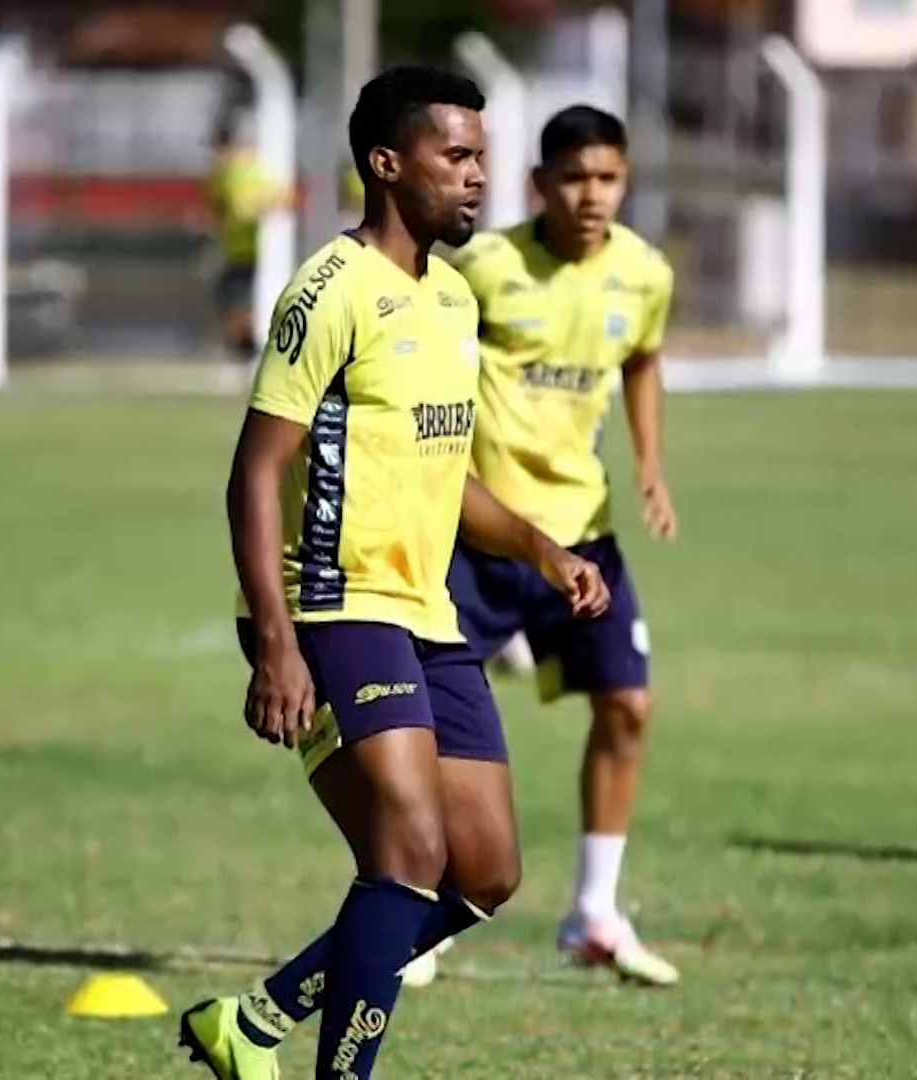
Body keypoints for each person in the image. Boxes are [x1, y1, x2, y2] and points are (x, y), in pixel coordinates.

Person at [177, 66, 609, 1080]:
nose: (477, 179)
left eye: (481, 159)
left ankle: (255, 1023)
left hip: (427, 611)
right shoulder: (328, 293)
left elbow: (444, 466)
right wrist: (276, 643)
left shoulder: (454, 302)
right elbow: (254, 471)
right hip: (328, 608)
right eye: (456, 157)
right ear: (386, 163)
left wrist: (543, 548)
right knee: (407, 858)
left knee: (487, 873)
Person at [438, 104, 682, 985]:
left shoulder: (644, 275)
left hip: (585, 535)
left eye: (608, 178)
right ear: (539, 184)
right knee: (430, 730)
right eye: (574, 177)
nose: (592, 195)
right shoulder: (484, 268)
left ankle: (593, 913)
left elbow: (644, 357)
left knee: (628, 706)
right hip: (480, 537)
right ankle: (420, 913)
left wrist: (651, 461)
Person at [206, 119, 283, 365]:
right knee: (229, 303)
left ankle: (249, 353)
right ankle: (245, 353)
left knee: (241, 306)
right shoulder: (224, 173)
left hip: (251, 252)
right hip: (234, 251)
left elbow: (279, 198)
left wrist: (253, 211)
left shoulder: (249, 170)